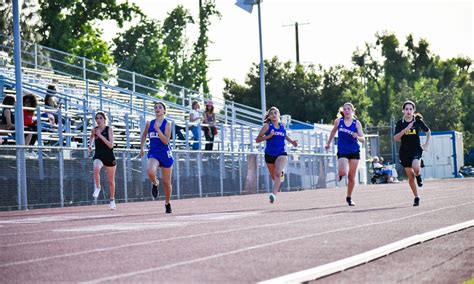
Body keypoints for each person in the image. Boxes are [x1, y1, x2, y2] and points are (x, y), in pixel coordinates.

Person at [325, 102, 365, 206]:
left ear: (352, 111)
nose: (346, 111)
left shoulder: (357, 123)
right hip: (343, 150)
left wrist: (358, 136)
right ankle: (341, 174)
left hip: (354, 151)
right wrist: (328, 143)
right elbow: (333, 132)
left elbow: (363, 139)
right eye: (345, 109)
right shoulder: (339, 121)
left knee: (351, 177)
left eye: (348, 109)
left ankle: (349, 197)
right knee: (343, 171)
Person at [256, 106, 298, 204]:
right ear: (269, 116)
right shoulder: (267, 126)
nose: (274, 115)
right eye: (271, 113)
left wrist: (292, 142)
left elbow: (284, 135)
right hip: (269, 154)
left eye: (275, 113)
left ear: (279, 115)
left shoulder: (282, 126)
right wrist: (269, 136)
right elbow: (257, 139)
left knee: (277, 173)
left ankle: (273, 195)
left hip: (281, 153)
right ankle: (280, 177)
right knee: (275, 177)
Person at [393, 100, 431, 206]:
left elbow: (428, 131)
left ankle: (418, 176)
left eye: (411, 109)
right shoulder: (400, 123)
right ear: (403, 111)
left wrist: (426, 144)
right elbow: (396, 138)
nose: (408, 111)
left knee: (416, 167)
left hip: (416, 149)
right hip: (404, 152)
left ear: (414, 110)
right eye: (406, 109)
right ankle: (416, 197)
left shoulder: (417, 121)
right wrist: (406, 129)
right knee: (410, 177)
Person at [140, 101, 174, 213]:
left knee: (166, 182)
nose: (157, 109)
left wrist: (158, 130)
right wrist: (141, 147)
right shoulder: (149, 123)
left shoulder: (167, 124)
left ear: (164, 110)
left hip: (165, 153)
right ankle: (155, 183)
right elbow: (144, 134)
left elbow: (165, 141)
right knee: (150, 171)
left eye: (160, 107)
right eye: (155, 107)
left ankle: (167, 203)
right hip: (154, 152)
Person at [88, 111, 117, 210]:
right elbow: (91, 137)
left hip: (109, 156)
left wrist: (100, 136)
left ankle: (112, 200)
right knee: (96, 168)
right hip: (99, 155)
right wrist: (90, 145)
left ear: (104, 119)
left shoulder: (109, 129)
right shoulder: (94, 130)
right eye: (97, 118)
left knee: (111, 181)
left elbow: (110, 145)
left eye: (100, 118)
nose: (98, 120)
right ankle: (98, 187)